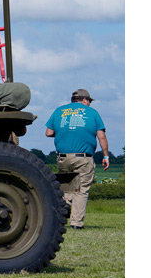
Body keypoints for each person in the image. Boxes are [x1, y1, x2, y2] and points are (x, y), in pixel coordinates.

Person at [45, 88, 109, 229]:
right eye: (89, 101)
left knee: (68, 187)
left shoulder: (59, 111)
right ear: (84, 100)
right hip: (83, 157)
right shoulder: (92, 113)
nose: (90, 104)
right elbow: (101, 136)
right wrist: (105, 155)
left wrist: (65, 132)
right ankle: (76, 223)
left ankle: (65, 206)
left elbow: (48, 132)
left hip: (63, 158)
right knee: (82, 189)